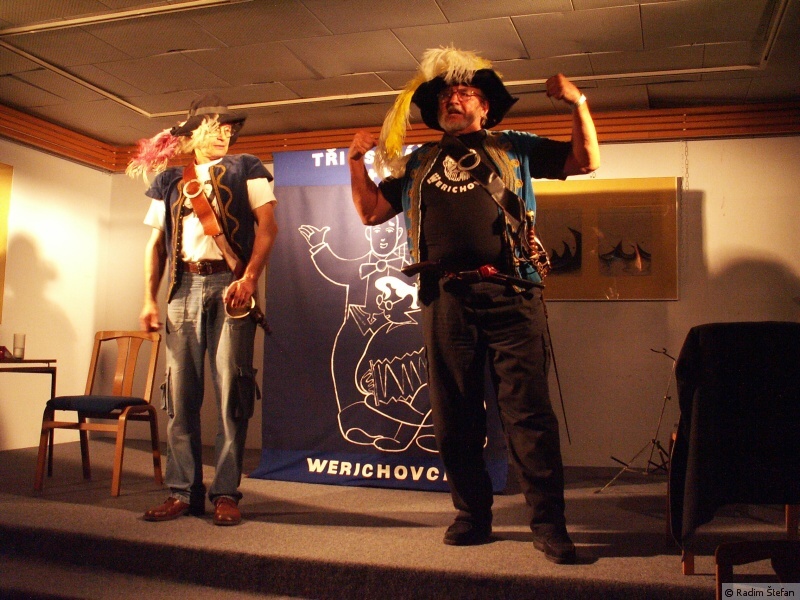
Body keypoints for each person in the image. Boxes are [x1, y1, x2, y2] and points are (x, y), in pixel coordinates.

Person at [348, 47, 599, 563]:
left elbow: (585, 161)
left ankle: (549, 525)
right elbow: (371, 211)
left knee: (528, 416)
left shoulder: (513, 147)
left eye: (465, 93)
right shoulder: (418, 162)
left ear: (486, 107)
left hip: (513, 293)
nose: (453, 99)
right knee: (454, 417)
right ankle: (472, 515)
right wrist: (355, 163)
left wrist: (579, 105)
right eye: (446, 94)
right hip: (445, 299)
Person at [128, 94, 278, 526]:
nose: (224, 136)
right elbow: (155, 245)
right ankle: (182, 491)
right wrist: (148, 298)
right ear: (192, 136)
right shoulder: (169, 181)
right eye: (215, 129)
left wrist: (249, 278)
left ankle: (226, 492)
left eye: (228, 130)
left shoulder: (247, 166)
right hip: (183, 289)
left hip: (231, 286)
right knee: (179, 396)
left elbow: (268, 227)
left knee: (233, 392)